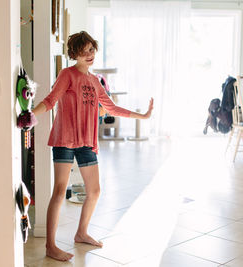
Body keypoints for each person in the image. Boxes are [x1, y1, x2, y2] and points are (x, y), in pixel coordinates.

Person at [33, 31, 153, 261]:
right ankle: (50, 245)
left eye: (92, 50)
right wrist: (30, 115)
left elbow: (112, 108)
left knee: (95, 191)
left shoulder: (95, 81)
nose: (89, 55)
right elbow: (50, 101)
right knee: (59, 191)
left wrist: (143, 116)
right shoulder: (67, 75)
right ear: (75, 54)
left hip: (86, 141)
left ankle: (81, 232)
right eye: (84, 50)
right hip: (65, 138)